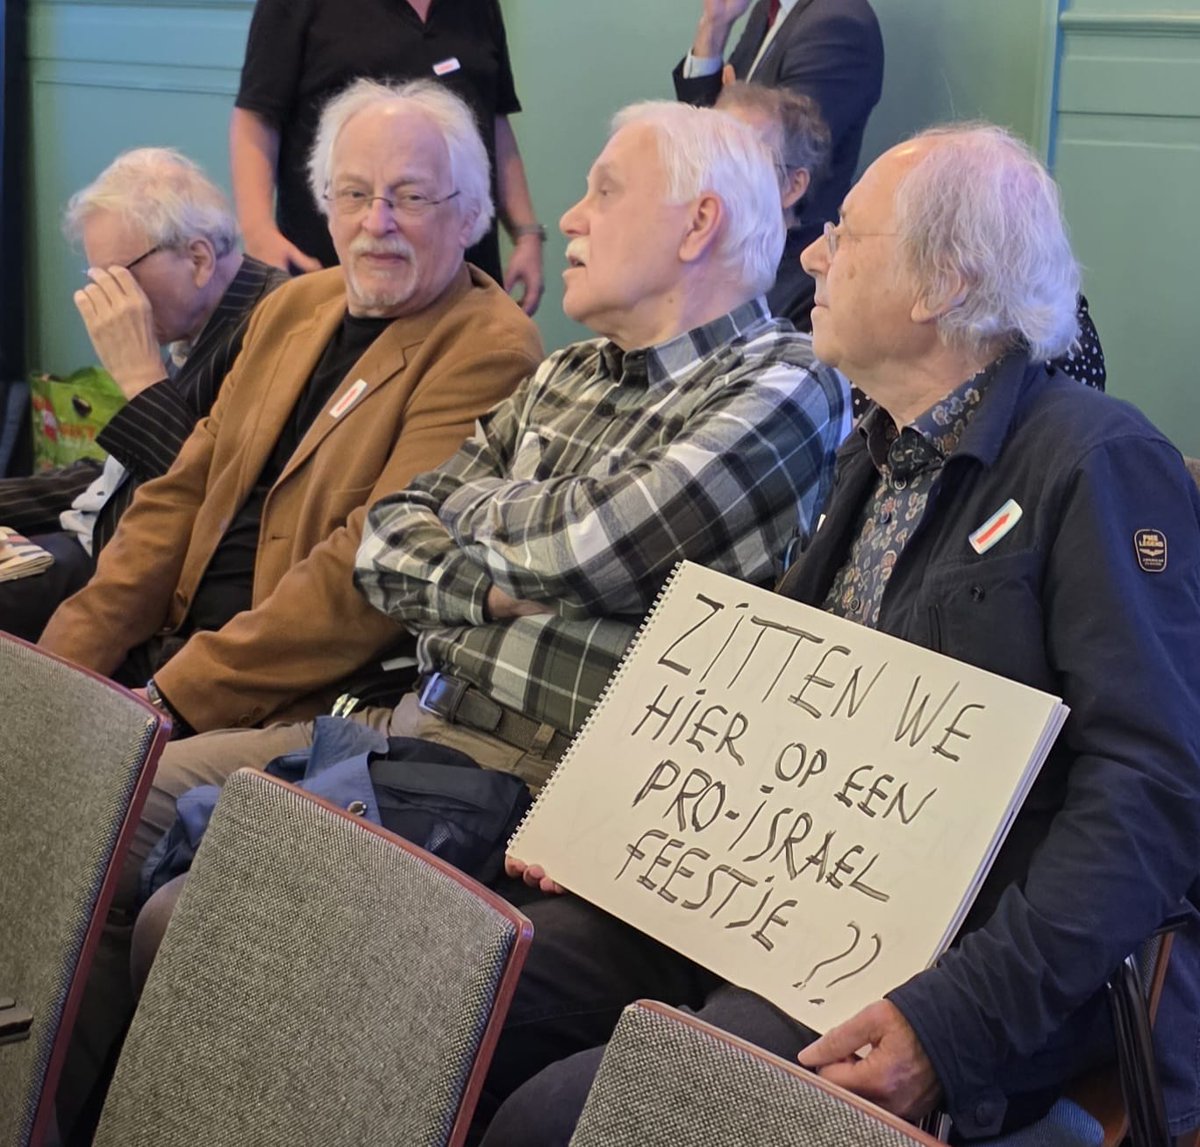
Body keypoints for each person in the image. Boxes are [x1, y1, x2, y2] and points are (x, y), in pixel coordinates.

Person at [480, 124, 1200, 1145]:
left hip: (953, 967)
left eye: (845, 235)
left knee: (564, 1118)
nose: (811, 254)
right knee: (464, 987)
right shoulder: (873, 449)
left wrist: (954, 1023)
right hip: (758, 905)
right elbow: (772, 708)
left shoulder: (1094, 461)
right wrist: (609, 824)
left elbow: (1153, 794)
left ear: (940, 285)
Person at [125, 97, 848, 992]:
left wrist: (480, 518)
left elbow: (591, 548)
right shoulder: (566, 371)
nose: (567, 218)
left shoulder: (784, 380)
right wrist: (513, 577)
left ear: (699, 223)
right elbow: (386, 544)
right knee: (104, 793)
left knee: (190, 916)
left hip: (543, 784)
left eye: (603, 193)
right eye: (351, 195)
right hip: (407, 726)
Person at [39, 78, 541, 740]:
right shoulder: (293, 306)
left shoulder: (488, 347)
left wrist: (168, 699)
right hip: (170, 657)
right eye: (355, 193)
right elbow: (176, 497)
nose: (376, 221)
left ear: (471, 214)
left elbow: (363, 572)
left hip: (290, 701)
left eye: (411, 196)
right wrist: (58, 669)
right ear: (326, 202)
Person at [0, 148, 287, 640]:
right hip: (99, 543)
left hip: (143, 590)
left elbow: (219, 504)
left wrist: (140, 378)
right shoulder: (195, 324)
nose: (103, 301)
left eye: (118, 277)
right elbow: (114, 477)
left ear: (198, 258)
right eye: (97, 280)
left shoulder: (274, 331)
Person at [230, 0, 545, 314]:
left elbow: (492, 120)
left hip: (459, 277)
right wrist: (258, 232)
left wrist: (526, 233)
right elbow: (256, 117)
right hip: (335, 273)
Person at [675, 0, 883, 326]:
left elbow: (772, 160)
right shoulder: (768, 9)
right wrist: (714, 27)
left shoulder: (838, 22)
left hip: (786, 277)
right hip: (742, 253)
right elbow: (706, 142)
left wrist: (724, 114)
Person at [714, 80, 829, 328]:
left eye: (742, 159)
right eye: (709, 153)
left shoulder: (817, 286)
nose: (714, 173)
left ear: (793, 186)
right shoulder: (684, 257)